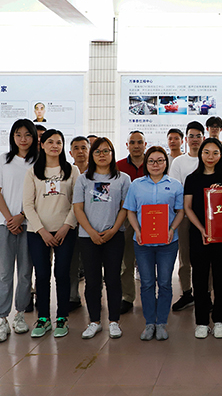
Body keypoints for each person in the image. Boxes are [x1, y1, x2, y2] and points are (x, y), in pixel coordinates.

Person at [22, 129, 79, 338]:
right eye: (51, 142)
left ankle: (62, 317)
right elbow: (28, 205)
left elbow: (77, 203)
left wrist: (66, 226)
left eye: (59, 142)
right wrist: (42, 231)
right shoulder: (33, 171)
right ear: (43, 145)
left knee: (62, 274)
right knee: (42, 274)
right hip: (38, 232)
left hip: (65, 230)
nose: (55, 146)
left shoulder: (72, 170)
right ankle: (44, 318)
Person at [124, 146, 184, 341]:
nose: (155, 164)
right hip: (143, 243)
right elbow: (130, 211)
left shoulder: (175, 185)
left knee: (165, 283)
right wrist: (138, 230)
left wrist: (172, 228)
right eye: (151, 161)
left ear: (166, 163)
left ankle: (162, 323)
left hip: (168, 242)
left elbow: (180, 211)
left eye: (160, 160)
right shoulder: (136, 185)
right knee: (147, 283)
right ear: (146, 163)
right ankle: (149, 323)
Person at [73, 137, 130, 340]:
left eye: (106, 151)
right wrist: (91, 232)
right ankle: (94, 321)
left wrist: (114, 230)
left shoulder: (123, 178)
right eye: (97, 151)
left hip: (114, 236)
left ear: (112, 154)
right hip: (88, 237)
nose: (102, 155)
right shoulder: (83, 179)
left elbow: (125, 207)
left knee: (113, 279)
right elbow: (78, 208)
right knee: (92, 280)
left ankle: (114, 321)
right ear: (92, 155)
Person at [0, 119, 38, 343]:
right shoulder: (4, 160)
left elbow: (39, 195)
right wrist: (10, 218)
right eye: (18, 134)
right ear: (13, 137)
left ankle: (20, 315)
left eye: (27, 134)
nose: (23, 139)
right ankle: (1, 319)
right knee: (3, 272)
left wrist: (22, 216)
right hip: (4, 224)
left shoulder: (38, 162)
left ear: (34, 137)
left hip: (30, 224)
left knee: (25, 272)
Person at [183, 138, 222, 339]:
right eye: (206, 152)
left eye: (215, 153)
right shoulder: (192, 179)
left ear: (221, 155)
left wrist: (221, 194)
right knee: (200, 278)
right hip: (199, 235)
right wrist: (202, 229)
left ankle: (220, 320)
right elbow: (188, 207)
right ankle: (202, 321)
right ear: (200, 154)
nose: (210, 157)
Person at [168, 121, 204, 311]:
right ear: (186, 139)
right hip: (184, 215)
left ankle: (206, 293)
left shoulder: (209, 159)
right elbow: (175, 189)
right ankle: (187, 292)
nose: (195, 139)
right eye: (191, 136)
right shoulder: (179, 162)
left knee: (206, 257)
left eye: (198, 136)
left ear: (203, 138)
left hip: (207, 216)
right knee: (185, 256)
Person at [115, 131, 147, 314]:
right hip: (126, 217)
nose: (136, 146)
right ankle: (127, 297)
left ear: (145, 144)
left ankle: (151, 296)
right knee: (126, 260)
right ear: (127, 145)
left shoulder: (153, 164)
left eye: (139, 142)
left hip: (150, 218)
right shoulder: (118, 166)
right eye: (132, 142)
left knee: (149, 260)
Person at [68, 136, 90, 311]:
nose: (80, 151)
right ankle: (72, 297)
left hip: (93, 225)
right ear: (70, 152)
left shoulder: (97, 173)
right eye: (76, 148)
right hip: (71, 224)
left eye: (84, 147)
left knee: (92, 264)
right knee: (72, 262)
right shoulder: (66, 173)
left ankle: (94, 297)